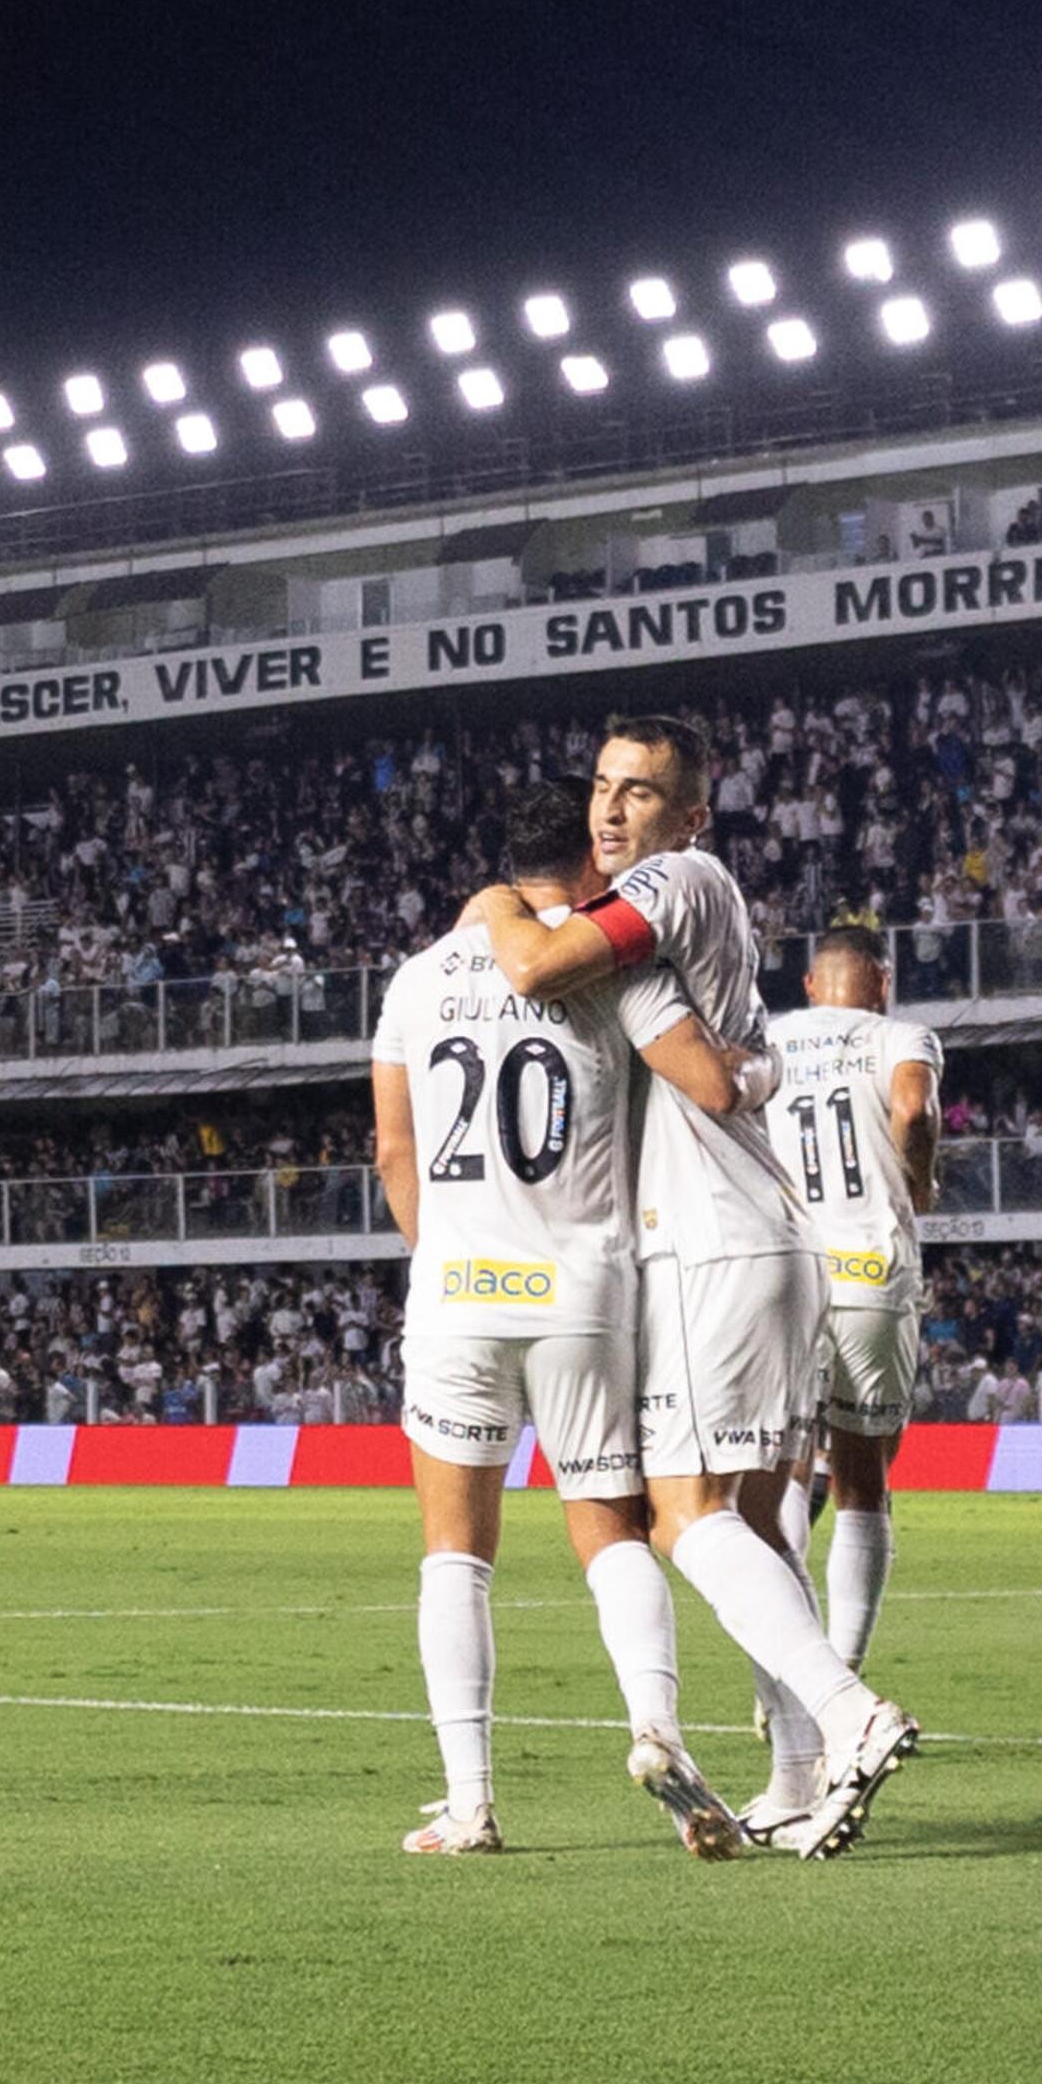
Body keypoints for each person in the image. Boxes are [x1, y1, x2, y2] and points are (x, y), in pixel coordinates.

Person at [472, 715, 918, 1859]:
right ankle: (797, 1772)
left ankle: (851, 1713)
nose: (613, 809)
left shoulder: (672, 884)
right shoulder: (674, 936)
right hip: (759, 1241)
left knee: (687, 1516)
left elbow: (537, 970)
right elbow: (733, 1070)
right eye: (604, 787)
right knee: (764, 1521)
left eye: (641, 792)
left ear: (690, 816)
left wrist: (501, 905)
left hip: (712, 1248)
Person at [372, 779, 765, 1860]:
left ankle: (471, 1804)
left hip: (457, 1289)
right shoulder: (612, 962)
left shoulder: (416, 978)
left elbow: (394, 1153)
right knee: (610, 1529)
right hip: (585, 1286)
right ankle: (657, 1726)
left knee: (455, 1555)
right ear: (594, 872)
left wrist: (445, 1259)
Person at [756, 926, 942, 1668]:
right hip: (867, 1268)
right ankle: (843, 1670)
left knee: (789, 1476)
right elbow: (914, 1112)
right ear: (883, 983)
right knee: (864, 1482)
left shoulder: (767, 1039)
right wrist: (919, 1181)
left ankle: (791, 1674)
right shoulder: (902, 1037)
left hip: (784, 1271)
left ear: (810, 986)